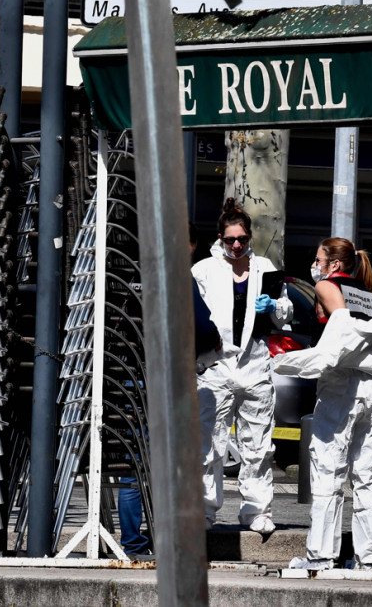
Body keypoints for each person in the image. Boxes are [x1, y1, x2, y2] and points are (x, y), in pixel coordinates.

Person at [278, 238, 372, 570]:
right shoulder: (369, 296)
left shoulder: (326, 285)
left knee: (328, 472)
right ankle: (371, 559)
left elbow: (344, 327)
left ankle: (320, 557)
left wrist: (303, 360)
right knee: (369, 475)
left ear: (334, 264)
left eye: (319, 258)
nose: (315, 264)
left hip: (342, 387)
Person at [119, 222, 221, 555]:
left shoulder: (133, 273)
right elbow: (202, 329)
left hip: (129, 376)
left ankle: (136, 537)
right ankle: (138, 541)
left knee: (134, 460)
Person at [192, 199, 293, 534]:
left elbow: (285, 313)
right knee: (209, 443)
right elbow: (191, 314)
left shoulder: (265, 268)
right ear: (220, 238)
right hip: (215, 366)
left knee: (259, 444)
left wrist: (275, 305)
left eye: (242, 240)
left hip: (254, 363)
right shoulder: (204, 270)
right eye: (230, 240)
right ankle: (205, 511)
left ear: (250, 238)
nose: (237, 245)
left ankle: (256, 510)